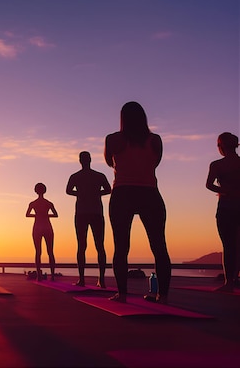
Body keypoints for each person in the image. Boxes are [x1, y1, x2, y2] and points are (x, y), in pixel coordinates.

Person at [104, 101, 171, 303]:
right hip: (149, 193)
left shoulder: (113, 139)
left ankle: (122, 294)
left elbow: (110, 162)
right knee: (159, 246)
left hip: (123, 192)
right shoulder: (155, 140)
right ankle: (163, 295)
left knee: (121, 246)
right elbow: (156, 162)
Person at [66, 151, 112, 287]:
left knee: (83, 246)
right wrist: (94, 193)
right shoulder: (98, 176)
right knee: (98, 246)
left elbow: (68, 191)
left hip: (84, 213)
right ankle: (100, 279)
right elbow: (108, 189)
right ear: (89, 160)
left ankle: (86, 279)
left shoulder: (76, 176)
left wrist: (82, 193)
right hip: (94, 212)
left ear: (81, 161)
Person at [206, 132, 240, 292]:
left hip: (226, 206)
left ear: (222, 146)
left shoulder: (217, 165)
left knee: (228, 245)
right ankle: (235, 278)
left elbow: (209, 184)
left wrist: (224, 190)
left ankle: (229, 283)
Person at [26, 183, 58, 281]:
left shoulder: (33, 203)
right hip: (47, 226)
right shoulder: (48, 203)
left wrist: (38, 215)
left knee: (38, 251)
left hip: (38, 226)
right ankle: (52, 275)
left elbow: (27, 214)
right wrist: (45, 215)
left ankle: (40, 276)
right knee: (50, 251)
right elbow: (55, 214)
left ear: (36, 191)